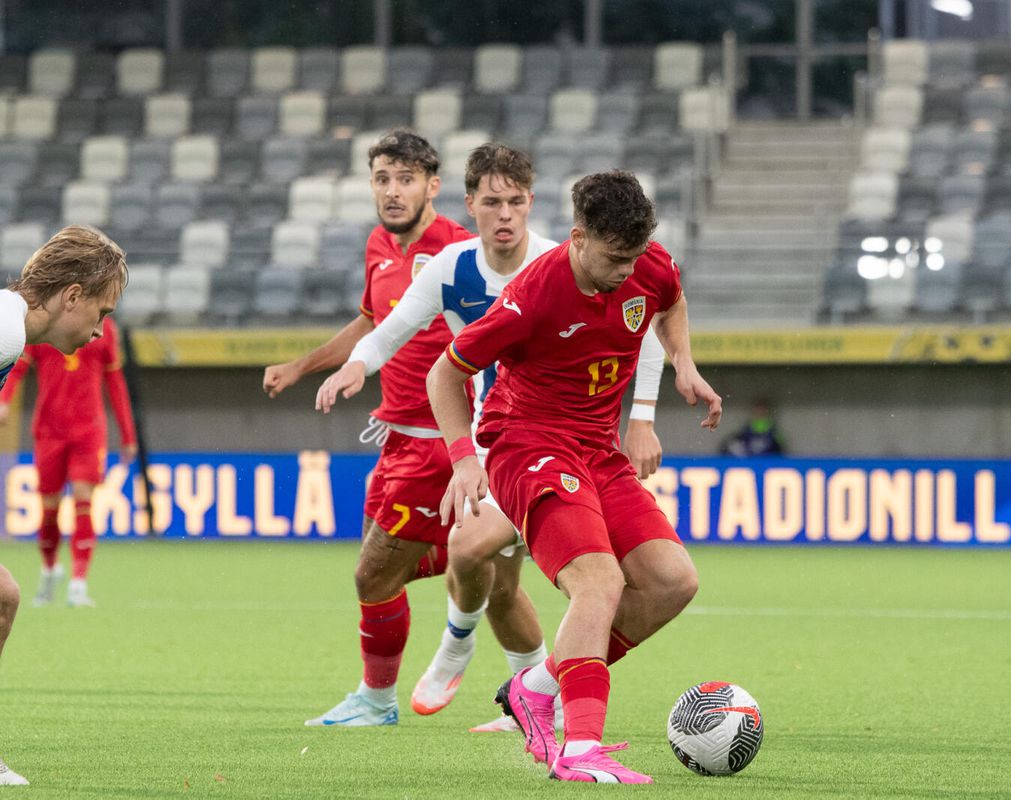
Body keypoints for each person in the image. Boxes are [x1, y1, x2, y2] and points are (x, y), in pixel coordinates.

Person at [315, 144, 667, 730]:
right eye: (491, 202)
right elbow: (394, 329)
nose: (504, 214)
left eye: (515, 201)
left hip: (560, 442)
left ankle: (465, 649)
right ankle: (531, 693)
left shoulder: (570, 262)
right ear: (469, 205)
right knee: (502, 586)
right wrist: (356, 364)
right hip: (492, 435)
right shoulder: (451, 268)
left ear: (531, 204)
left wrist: (643, 417)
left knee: (470, 549)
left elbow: (643, 323)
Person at [426, 171, 722, 783]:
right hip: (526, 445)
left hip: (595, 448)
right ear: (579, 236)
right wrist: (462, 457)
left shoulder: (646, 263)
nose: (625, 272)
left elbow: (670, 300)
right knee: (600, 582)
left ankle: (535, 686)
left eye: (635, 257)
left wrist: (683, 364)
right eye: (614, 259)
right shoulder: (533, 295)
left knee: (673, 581)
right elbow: (443, 376)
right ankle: (580, 749)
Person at [263, 129, 475, 727]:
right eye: (382, 178)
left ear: (432, 186)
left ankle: (378, 700)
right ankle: (481, 559)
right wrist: (302, 365)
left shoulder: (461, 248)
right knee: (379, 567)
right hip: (395, 435)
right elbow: (370, 323)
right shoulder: (378, 245)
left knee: (372, 573)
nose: (392, 190)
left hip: (442, 441)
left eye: (406, 178)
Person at [0, 224, 128, 787]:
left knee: (2, 597)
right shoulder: (4, 331)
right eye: (101, 311)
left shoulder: (12, 332)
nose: (101, 331)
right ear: (71, 295)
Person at [0, 316, 137, 608]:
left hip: (89, 431)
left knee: (83, 500)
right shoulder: (46, 324)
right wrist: (5, 399)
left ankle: (78, 582)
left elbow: (115, 382)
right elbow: (18, 367)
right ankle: (50, 570)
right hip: (49, 432)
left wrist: (128, 434)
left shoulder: (106, 329)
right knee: (49, 508)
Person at [720, 398, 785, 457]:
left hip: (767, 464)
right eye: (758, 411)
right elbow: (729, 446)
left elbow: (780, 451)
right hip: (750, 464)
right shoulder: (746, 431)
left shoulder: (774, 432)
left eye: (762, 411)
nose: (760, 413)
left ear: (767, 412)